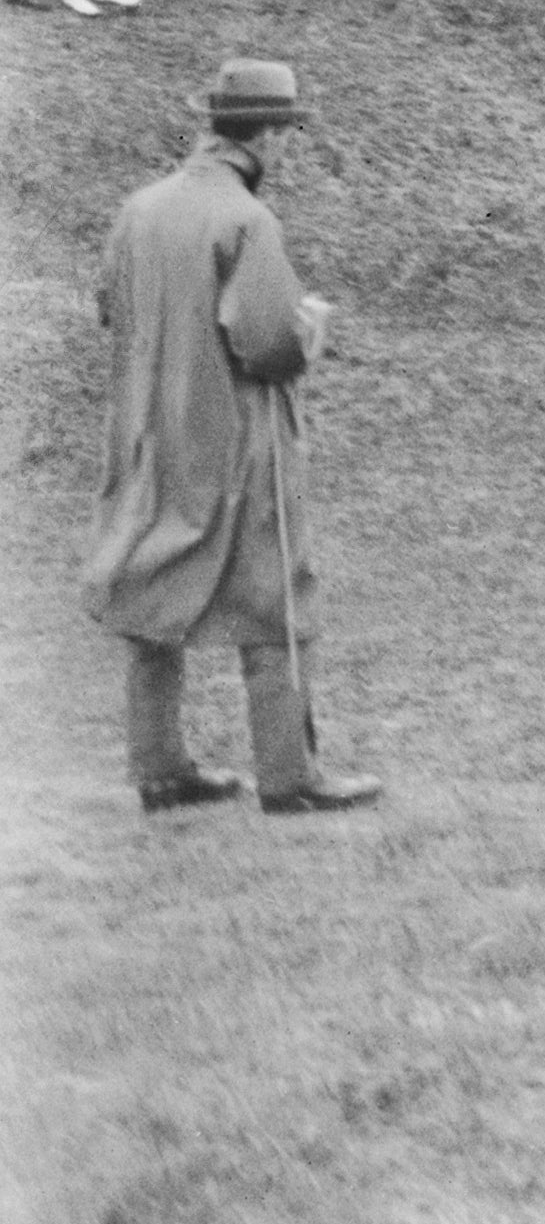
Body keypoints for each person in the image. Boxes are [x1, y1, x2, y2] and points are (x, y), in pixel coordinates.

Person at [78, 58, 382, 816]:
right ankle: (291, 778)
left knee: (148, 587)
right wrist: (310, 327)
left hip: (149, 429)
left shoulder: (140, 207)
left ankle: (160, 768)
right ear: (271, 138)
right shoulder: (248, 220)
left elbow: (108, 304)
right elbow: (268, 344)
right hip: (238, 436)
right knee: (277, 592)